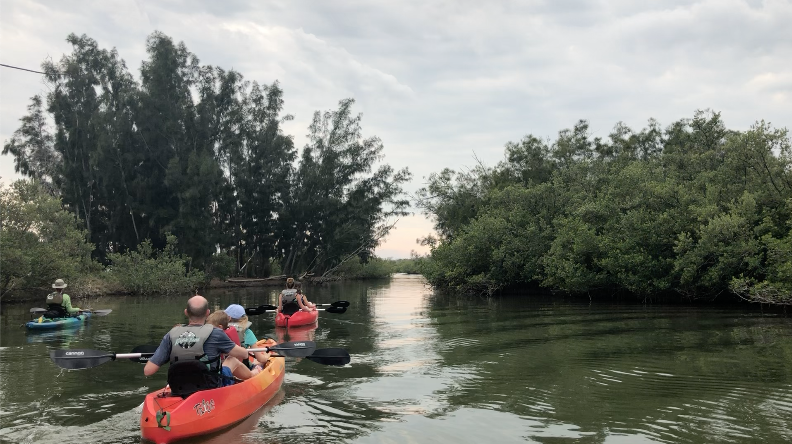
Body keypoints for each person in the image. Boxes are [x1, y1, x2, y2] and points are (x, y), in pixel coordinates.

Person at [144, 296, 260, 389]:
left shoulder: (171, 334)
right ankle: (254, 374)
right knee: (231, 360)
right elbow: (244, 355)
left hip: (178, 386)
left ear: (186, 312)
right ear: (207, 313)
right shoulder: (216, 333)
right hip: (209, 386)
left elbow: (148, 371)